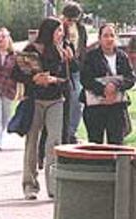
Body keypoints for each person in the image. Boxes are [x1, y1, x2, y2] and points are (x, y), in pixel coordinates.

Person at [12, 17, 71, 200]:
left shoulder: (62, 51)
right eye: (58, 30)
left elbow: (67, 80)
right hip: (35, 99)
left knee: (54, 141)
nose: (61, 34)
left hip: (55, 100)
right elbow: (16, 73)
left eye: (62, 31)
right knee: (32, 142)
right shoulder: (31, 50)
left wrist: (55, 79)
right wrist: (34, 80)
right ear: (48, 31)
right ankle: (30, 185)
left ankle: (53, 186)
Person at [81, 23, 135, 145]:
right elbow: (85, 79)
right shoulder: (91, 57)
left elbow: (130, 78)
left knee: (116, 145)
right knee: (95, 145)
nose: (109, 39)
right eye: (105, 36)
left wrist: (115, 86)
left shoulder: (122, 56)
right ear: (99, 38)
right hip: (95, 107)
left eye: (112, 35)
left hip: (116, 107)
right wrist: (104, 89)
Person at [62, 2, 87, 144]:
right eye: (69, 19)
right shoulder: (59, 27)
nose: (71, 23)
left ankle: (71, 132)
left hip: (76, 68)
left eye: (74, 20)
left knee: (78, 100)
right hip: (62, 68)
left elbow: (82, 48)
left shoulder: (81, 29)